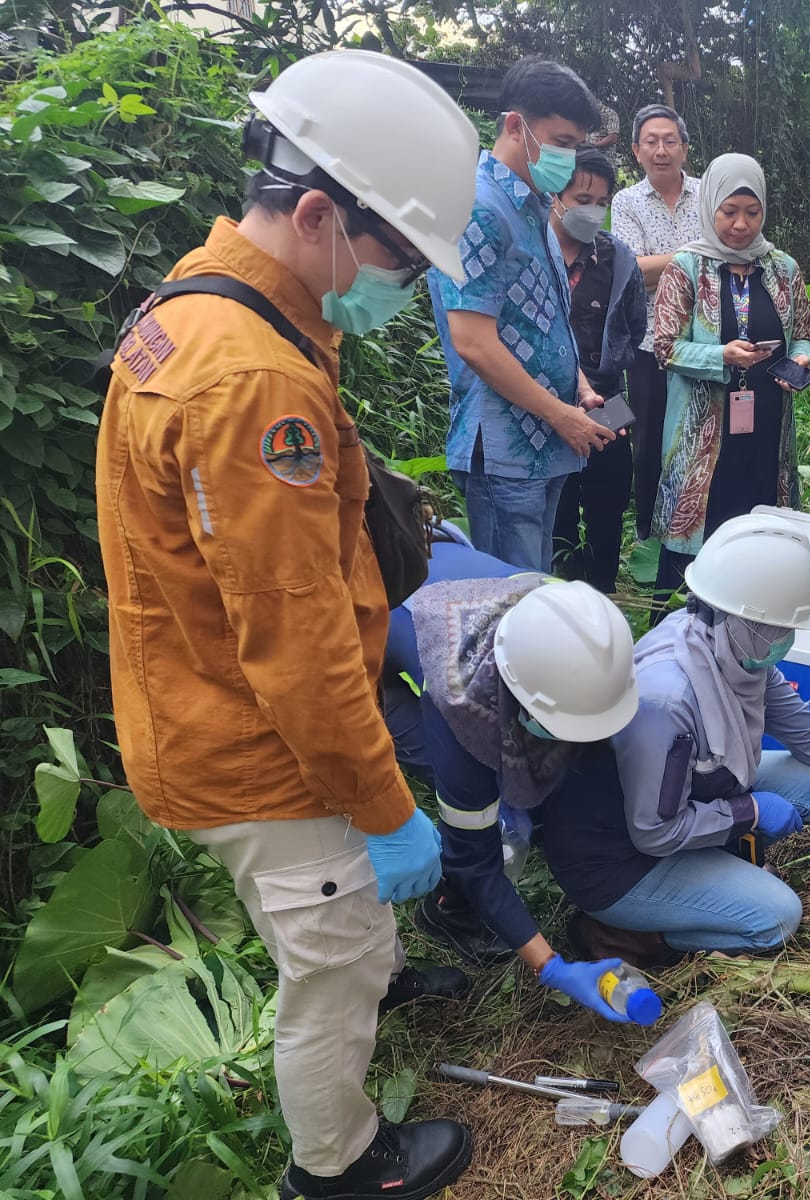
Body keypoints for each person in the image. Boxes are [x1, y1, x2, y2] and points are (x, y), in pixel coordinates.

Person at [96, 51, 480, 1200]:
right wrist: (383, 798)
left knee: (339, 923)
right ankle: (341, 1164)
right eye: (400, 258)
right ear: (318, 213)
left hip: (206, 702)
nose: (400, 283)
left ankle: (375, 974)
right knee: (331, 958)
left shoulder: (220, 303)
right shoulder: (250, 382)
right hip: (254, 743)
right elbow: (297, 643)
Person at [540, 514, 810, 961]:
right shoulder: (668, 701)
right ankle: (625, 933)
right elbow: (654, 832)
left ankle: (716, 875)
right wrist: (749, 811)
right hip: (618, 859)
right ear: (741, 618)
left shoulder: (734, 653)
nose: (786, 639)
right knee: (777, 918)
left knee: (807, 780)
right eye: (780, 628)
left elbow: (804, 730)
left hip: (676, 805)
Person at [380, 542, 649, 1024]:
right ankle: (449, 910)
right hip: (371, 655)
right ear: (515, 698)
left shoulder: (577, 632)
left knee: (546, 775)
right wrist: (551, 965)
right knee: (498, 822)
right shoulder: (459, 700)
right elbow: (474, 858)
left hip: (441, 580)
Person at [428, 57, 615, 573]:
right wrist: (561, 415)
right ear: (516, 126)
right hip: (505, 448)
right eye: (559, 140)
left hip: (545, 441)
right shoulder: (481, 208)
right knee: (509, 605)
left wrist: (578, 389)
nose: (567, 155)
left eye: (575, 144)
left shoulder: (534, 204)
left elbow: (545, 316)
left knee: (534, 591)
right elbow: (473, 339)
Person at [650, 154, 810, 604]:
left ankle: (750, 633)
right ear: (710, 208)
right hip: (703, 430)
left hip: (765, 427)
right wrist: (720, 356)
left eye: (752, 212)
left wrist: (799, 362)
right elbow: (665, 346)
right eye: (729, 212)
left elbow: (801, 336)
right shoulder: (686, 267)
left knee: (758, 530)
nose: (741, 224)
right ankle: (681, 638)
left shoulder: (783, 268)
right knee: (699, 535)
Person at [549, 149, 649, 594]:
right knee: (559, 505)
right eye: (582, 197)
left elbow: (634, 326)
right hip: (544, 401)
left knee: (608, 500)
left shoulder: (618, 259)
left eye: (601, 202)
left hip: (607, 398)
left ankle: (604, 596)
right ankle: (559, 596)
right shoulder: (534, 252)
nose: (592, 210)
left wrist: (604, 374)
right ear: (556, 197)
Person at [609, 104, 702, 541]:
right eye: (651, 142)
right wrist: (698, 256)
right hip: (648, 344)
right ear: (636, 151)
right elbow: (631, 272)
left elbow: (733, 251)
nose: (661, 150)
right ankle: (650, 533)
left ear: (684, 147)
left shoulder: (710, 194)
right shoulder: (626, 202)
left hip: (708, 339)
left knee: (704, 431)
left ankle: (700, 523)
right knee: (647, 441)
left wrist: (662, 264)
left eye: (670, 141)